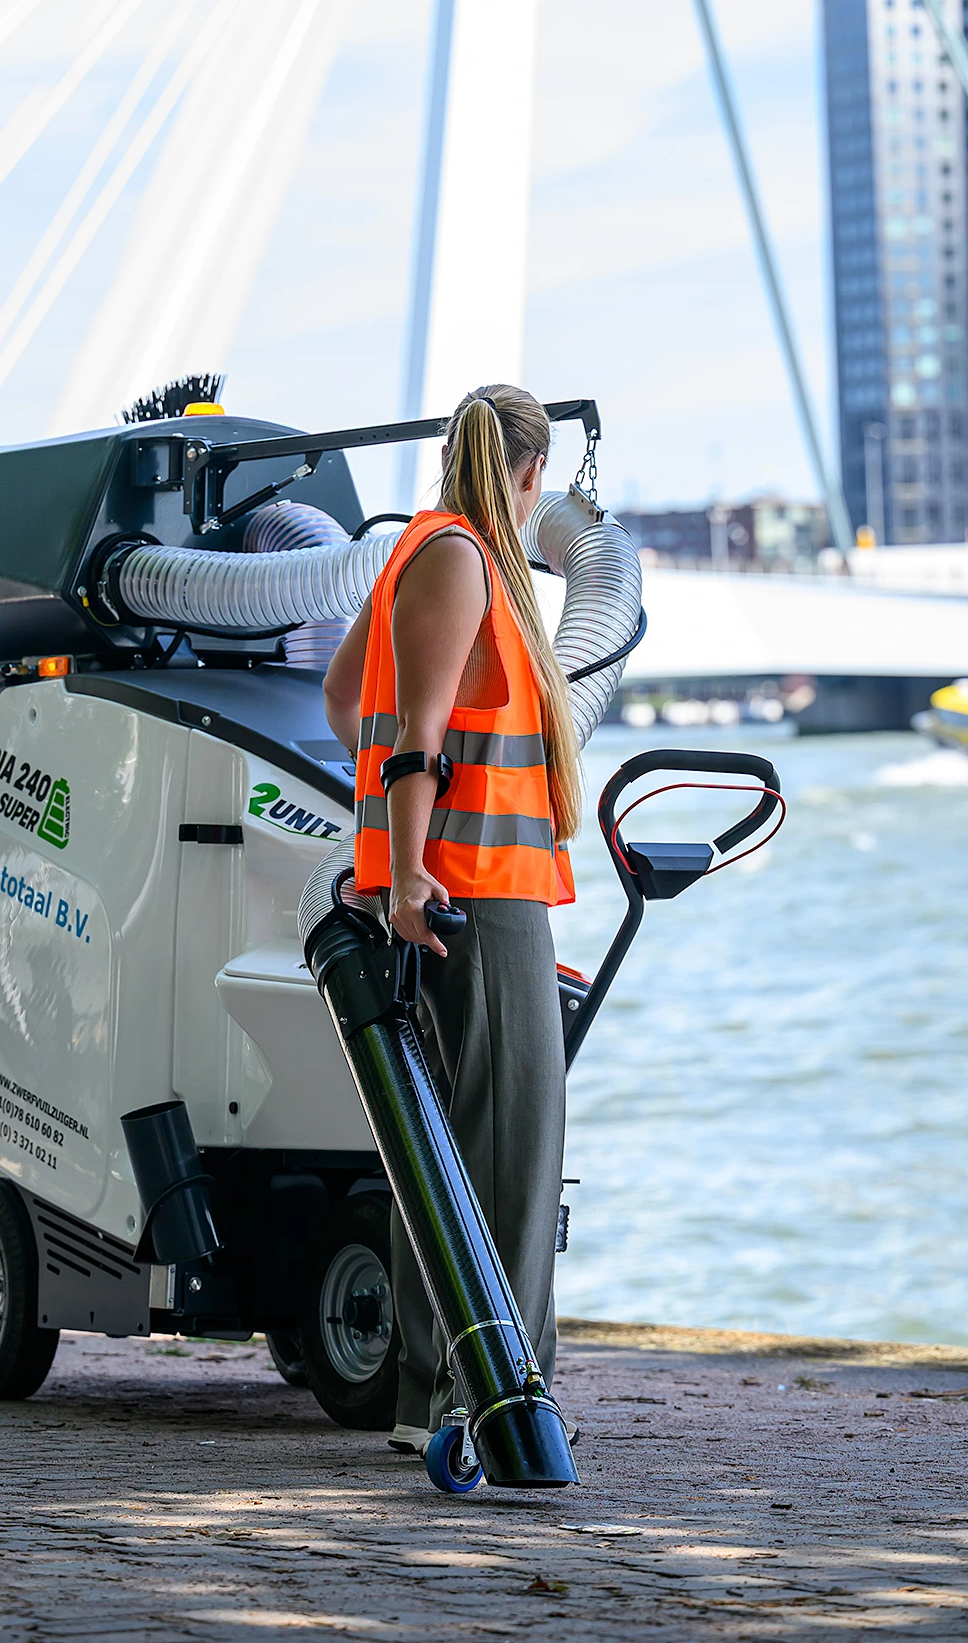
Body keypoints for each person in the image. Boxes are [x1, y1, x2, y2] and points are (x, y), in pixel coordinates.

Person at [322, 383, 581, 1455]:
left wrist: (396, 849)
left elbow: (350, 701)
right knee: (510, 1148)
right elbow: (417, 734)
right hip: (477, 894)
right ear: (526, 475)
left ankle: (430, 1396)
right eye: (541, 483)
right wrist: (414, 863)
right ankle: (493, 1400)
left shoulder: (419, 556)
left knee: (443, 1145)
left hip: (446, 890)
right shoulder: (467, 557)